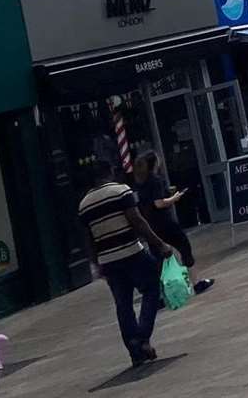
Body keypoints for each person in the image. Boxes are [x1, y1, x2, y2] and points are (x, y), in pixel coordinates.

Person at [77, 159, 177, 367]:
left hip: (108, 260)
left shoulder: (84, 204)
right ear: (110, 172)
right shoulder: (121, 191)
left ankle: (135, 352)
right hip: (131, 252)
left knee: (123, 304)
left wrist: (96, 264)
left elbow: (87, 239)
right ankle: (141, 338)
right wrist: (159, 244)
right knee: (152, 287)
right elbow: (137, 220)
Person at [131, 152, 214, 296]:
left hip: (151, 226)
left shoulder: (141, 183)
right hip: (165, 222)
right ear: (155, 163)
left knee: (158, 259)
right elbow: (159, 203)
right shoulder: (156, 180)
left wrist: (165, 193)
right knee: (184, 247)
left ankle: (160, 295)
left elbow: (148, 201)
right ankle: (197, 283)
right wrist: (174, 198)